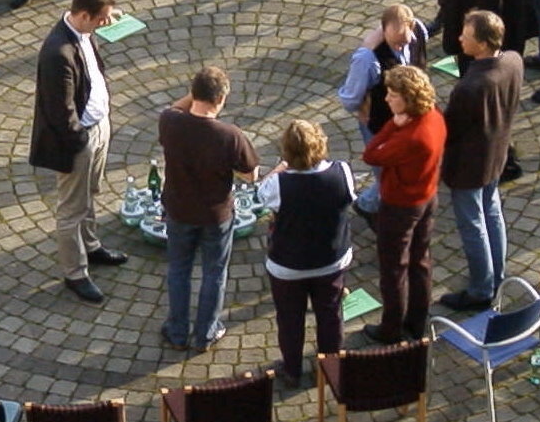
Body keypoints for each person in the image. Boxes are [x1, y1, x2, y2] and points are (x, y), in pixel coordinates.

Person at [29, 0, 127, 304]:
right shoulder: (57, 53)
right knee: (72, 207)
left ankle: (92, 245)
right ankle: (75, 272)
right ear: (84, 15)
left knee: (91, 192)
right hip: (80, 137)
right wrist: (81, 141)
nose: (106, 25)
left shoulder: (83, 32)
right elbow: (61, 112)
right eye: (102, 19)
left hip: (99, 126)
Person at [159, 66, 259, 353]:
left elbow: (173, 108)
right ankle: (206, 333)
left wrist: (191, 96)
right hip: (216, 216)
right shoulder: (230, 135)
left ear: (194, 93)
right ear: (222, 99)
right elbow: (250, 175)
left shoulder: (170, 122)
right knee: (214, 273)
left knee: (179, 270)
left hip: (178, 210)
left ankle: (177, 332)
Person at [258, 120, 353, 388]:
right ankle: (331, 367)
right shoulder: (342, 172)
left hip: (288, 265)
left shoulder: (278, 183)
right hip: (331, 259)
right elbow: (349, 199)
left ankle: (292, 370)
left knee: (290, 318)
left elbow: (261, 196)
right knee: (330, 314)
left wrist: (280, 168)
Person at [439, 11, 523, 310]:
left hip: (469, 166)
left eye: (467, 34)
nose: (460, 37)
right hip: (496, 156)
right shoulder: (513, 61)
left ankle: (480, 289)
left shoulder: (470, 87)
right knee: (493, 213)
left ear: (484, 44)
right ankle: (497, 275)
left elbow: (449, 130)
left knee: (473, 223)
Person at [362, 65, 446, 344]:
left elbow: (371, 154)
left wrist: (391, 125)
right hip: (427, 197)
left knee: (394, 268)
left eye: (392, 94)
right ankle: (417, 320)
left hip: (400, 206)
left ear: (408, 99)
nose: (387, 99)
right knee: (420, 261)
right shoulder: (434, 117)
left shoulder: (409, 136)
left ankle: (391, 329)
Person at [337, 3, 427, 224]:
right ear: (382, 30)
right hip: (380, 126)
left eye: (403, 42)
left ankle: (370, 204)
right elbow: (349, 98)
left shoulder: (420, 32)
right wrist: (362, 107)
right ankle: (370, 206)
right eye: (395, 42)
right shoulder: (367, 58)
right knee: (387, 176)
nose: (399, 46)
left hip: (410, 123)